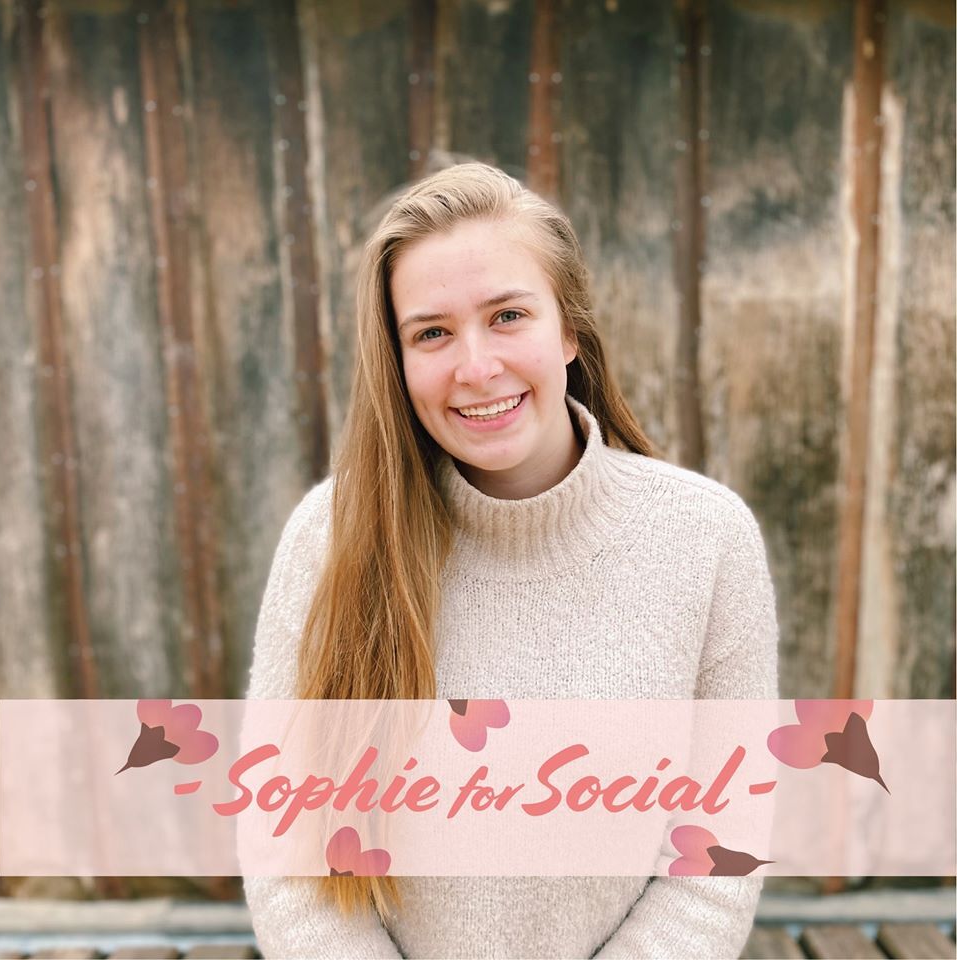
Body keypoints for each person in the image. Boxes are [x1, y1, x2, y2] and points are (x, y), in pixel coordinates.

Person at [242, 162, 779, 958]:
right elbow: (288, 853)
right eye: (432, 332)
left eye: (507, 316)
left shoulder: (706, 539)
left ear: (567, 329)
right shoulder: (330, 538)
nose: (476, 366)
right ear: (397, 359)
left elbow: (716, 856)